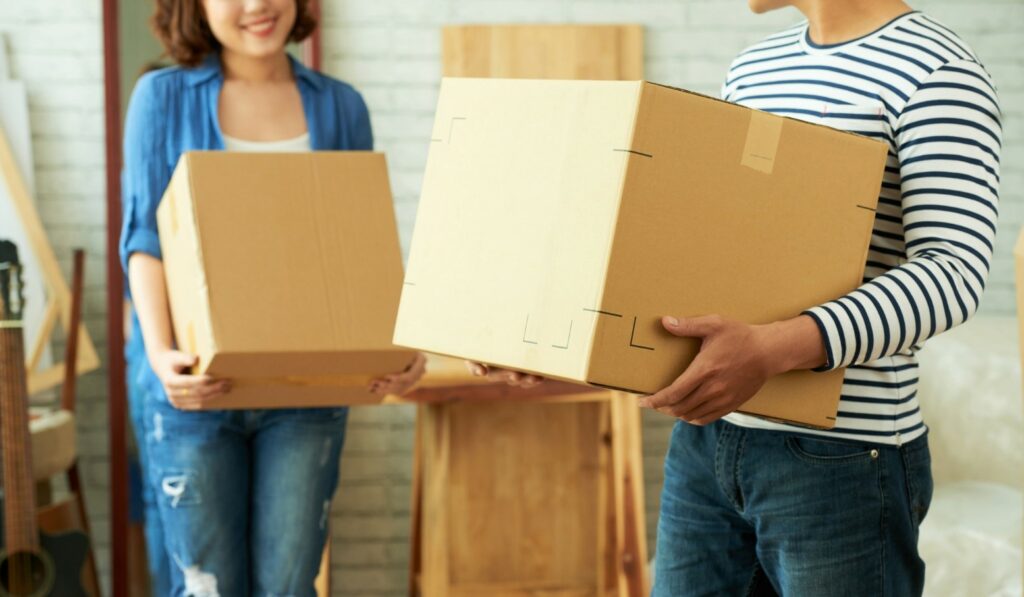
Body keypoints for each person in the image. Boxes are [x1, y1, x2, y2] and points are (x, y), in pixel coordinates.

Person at [476, 1, 1001, 594]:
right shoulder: (756, 67)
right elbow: (713, 262)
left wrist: (773, 349)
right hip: (707, 442)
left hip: (846, 460)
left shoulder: (936, 70)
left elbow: (952, 273)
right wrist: (562, 349)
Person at [120, 0, 426, 593]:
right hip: (193, 390)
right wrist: (160, 356)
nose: (258, 5)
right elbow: (144, 242)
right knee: (207, 586)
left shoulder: (341, 105)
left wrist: (394, 345)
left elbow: (356, 248)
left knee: (289, 584)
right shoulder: (161, 98)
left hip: (305, 391)